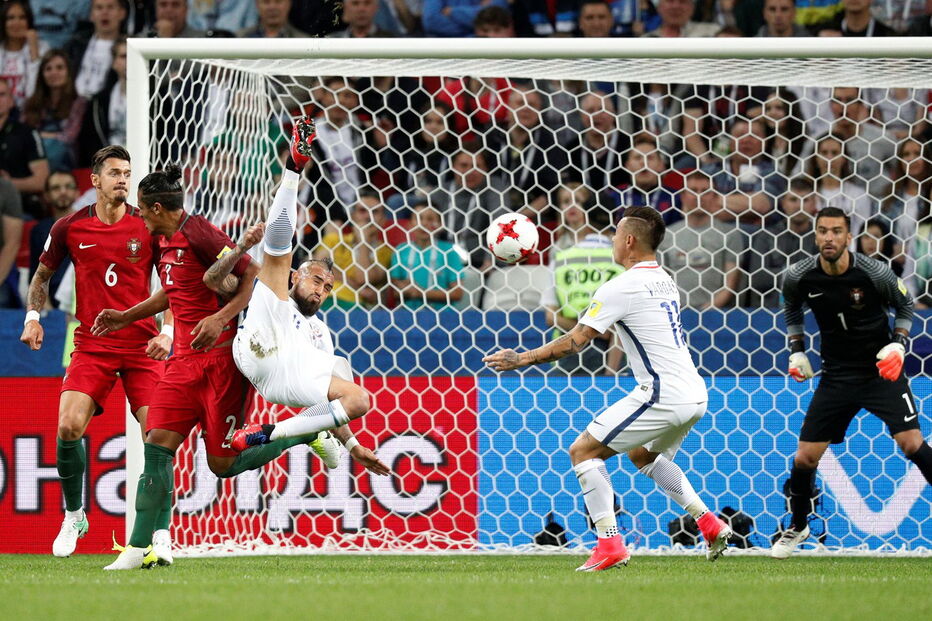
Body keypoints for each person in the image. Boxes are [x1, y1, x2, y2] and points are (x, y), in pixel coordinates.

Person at [484, 206, 733, 570]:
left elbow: (575, 341)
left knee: (583, 451)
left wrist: (521, 358)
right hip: (694, 393)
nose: (612, 240)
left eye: (616, 235)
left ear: (629, 241)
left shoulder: (622, 286)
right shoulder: (664, 279)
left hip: (662, 394)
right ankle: (709, 523)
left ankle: (610, 544)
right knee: (642, 456)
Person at [91, 162, 259, 570]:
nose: (140, 217)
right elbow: (173, 291)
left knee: (222, 464)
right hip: (181, 364)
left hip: (221, 363)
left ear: (158, 208)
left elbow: (251, 273)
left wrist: (220, 318)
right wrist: (125, 316)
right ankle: (139, 548)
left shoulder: (200, 233)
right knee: (156, 447)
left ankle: (300, 435)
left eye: (142, 209)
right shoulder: (163, 240)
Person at [19, 145, 173, 559]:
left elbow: (173, 283)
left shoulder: (148, 226)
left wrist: (169, 331)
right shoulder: (70, 227)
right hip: (93, 345)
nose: (123, 180)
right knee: (69, 427)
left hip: (142, 346)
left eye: (127, 173)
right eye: (115, 173)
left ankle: (161, 533)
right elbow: (42, 276)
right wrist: (32, 317)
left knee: (158, 435)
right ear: (95, 181)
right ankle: (74, 515)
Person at [772, 206, 932, 558]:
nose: (829, 237)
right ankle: (798, 525)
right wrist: (797, 350)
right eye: (823, 231)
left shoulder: (874, 272)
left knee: (911, 443)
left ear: (848, 237)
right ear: (815, 235)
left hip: (880, 373)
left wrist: (898, 345)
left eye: (836, 231)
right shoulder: (799, 276)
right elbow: (791, 308)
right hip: (836, 376)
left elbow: (906, 306)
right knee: (805, 458)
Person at [540, 197, 623, 376]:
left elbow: (551, 317)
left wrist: (583, 331)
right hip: (611, 351)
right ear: (616, 221)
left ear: (584, 217)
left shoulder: (561, 259)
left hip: (567, 348)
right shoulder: (623, 261)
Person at [660, 170, 744, 309]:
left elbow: (730, 285)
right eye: (693, 190)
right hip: (676, 313)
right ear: (683, 196)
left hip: (715, 314)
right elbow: (660, 284)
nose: (699, 196)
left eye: (705, 191)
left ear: (715, 197)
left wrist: (705, 312)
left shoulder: (730, 234)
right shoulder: (667, 235)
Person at [22, 50, 88, 172]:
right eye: (48, 69)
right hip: (33, 159)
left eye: (59, 67)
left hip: (65, 163)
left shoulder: (79, 103)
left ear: (68, 72)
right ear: (42, 74)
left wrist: (39, 136)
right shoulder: (31, 103)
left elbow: (69, 136)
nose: (54, 73)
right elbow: (23, 134)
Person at [389, 203, 465, 309]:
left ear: (440, 225)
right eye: (418, 218)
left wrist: (421, 293)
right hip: (408, 314)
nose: (423, 223)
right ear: (409, 224)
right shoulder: (401, 250)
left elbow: (457, 293)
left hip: (443, 314)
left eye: (430, 219)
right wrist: (404, 289)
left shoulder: (449, 251)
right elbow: (394, 291)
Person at [0, 77, 49, 219]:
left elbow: (42, 181)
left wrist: (8, 184)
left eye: (2, 94)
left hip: (20, 207)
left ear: (11, 101)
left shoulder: (27, 133)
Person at [29, 171, 78, 306]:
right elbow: (37, 278)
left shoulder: (92, 226)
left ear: (77, 193)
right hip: (53, 306)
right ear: (46, 196)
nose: (63, 192)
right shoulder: (39, 231)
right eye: (56, 188)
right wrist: (49, 312)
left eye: (68, 186)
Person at [65, 0, 127, 98]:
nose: (104, 12)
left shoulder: (128, 48)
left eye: (110, 7)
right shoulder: (75, 44)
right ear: (91, 15)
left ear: (122, 13)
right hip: (74, 100)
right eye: (99, 8)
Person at [0, 1, 48, 109]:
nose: (16, 23)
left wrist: (33, 51)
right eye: (10, 18)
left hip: (32, 111)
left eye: (22, 18)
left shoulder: (42, 48)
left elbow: (38, 92)